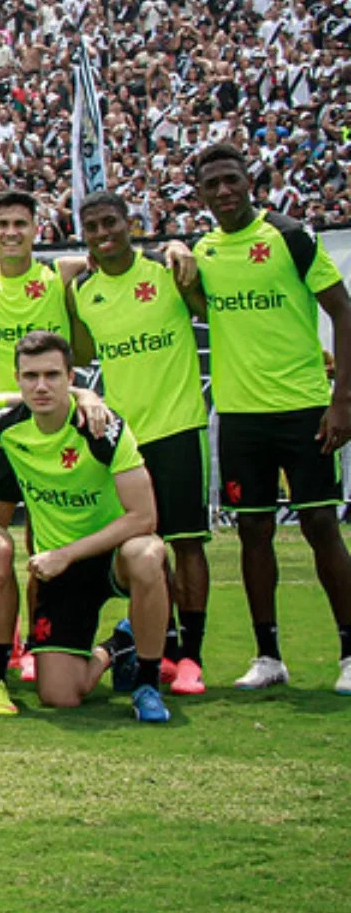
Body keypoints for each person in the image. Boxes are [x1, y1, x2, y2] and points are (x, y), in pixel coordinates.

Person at [187, 142, 351, 694]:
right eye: (213, 185)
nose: (224, 191)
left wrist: (342, 400)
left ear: (249, 179)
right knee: (252, 530)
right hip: (239, 416)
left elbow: (342, 311)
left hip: (304, 407)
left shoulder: (290, 236)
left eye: (232, 179)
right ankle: (268, 655)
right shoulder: (203, 251)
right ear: (201, 194)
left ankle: (350, 653)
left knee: (321, 526)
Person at [0, 332, 173, 722]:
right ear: (16, 379)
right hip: (64, 573)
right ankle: (117, 645)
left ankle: (147, 683)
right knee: (60, 696)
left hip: (112, 555)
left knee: (147, 553)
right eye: (30, 375)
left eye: (52, 375)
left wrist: (66, 553)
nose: (41, 386)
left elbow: (144, 517)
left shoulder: (104, 429)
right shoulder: (5, 426)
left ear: (70, 376)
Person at [70, 191, 212, 695]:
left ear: (132, 223)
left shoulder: (167, 271)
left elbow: (207, 309)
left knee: (187, 542)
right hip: (124, 440)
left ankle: (191, 656)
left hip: (177, 426)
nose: (104, 233)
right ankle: (159, 645)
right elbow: (81, 349)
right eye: (92, 227)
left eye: (112, 222)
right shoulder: (83, 292)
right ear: (83, 236)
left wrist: (179, 248)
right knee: (141, 547)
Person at [0, 190, 72, 526]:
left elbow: (101, 257)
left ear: (37, 228)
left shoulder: (60, 276)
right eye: (2, 224)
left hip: (49, 430)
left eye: (21, 224)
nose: (11, 232)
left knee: (52, 537)